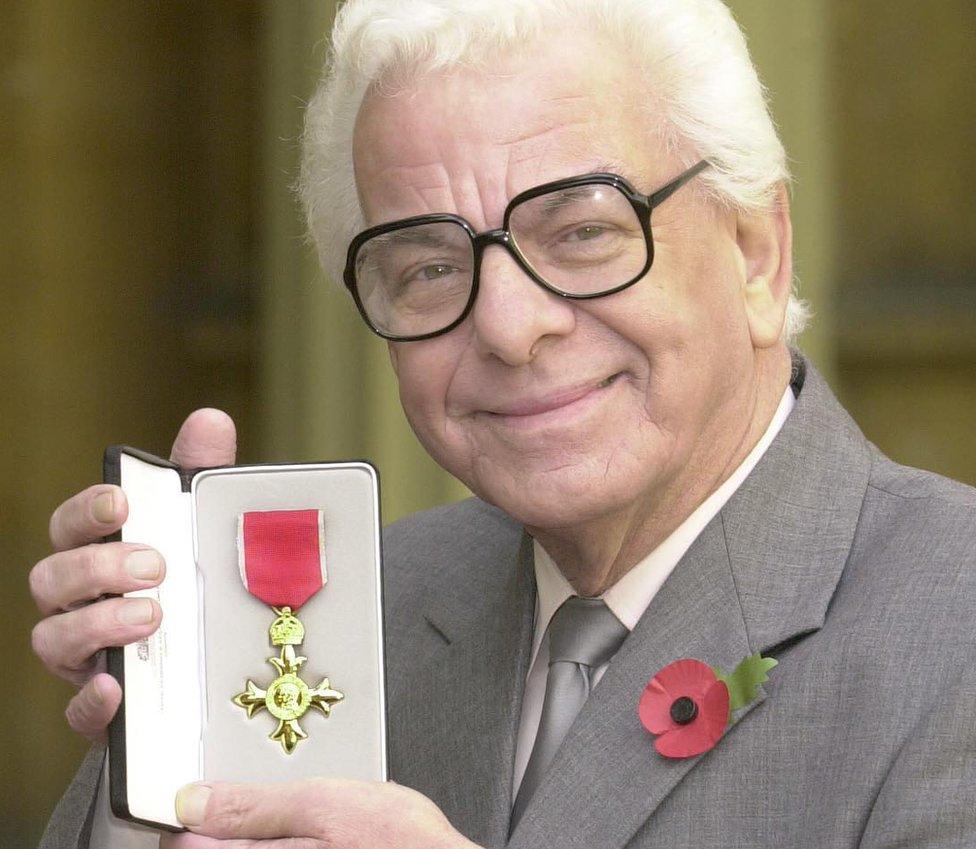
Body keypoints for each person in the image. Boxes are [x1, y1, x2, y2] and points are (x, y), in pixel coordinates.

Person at [32, 0, 976, 847]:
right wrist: (158, 766)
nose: (511, 327)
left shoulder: (951, 627)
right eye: (430, 268)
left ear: (757, 255)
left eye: (582, 232)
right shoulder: (353, 611)